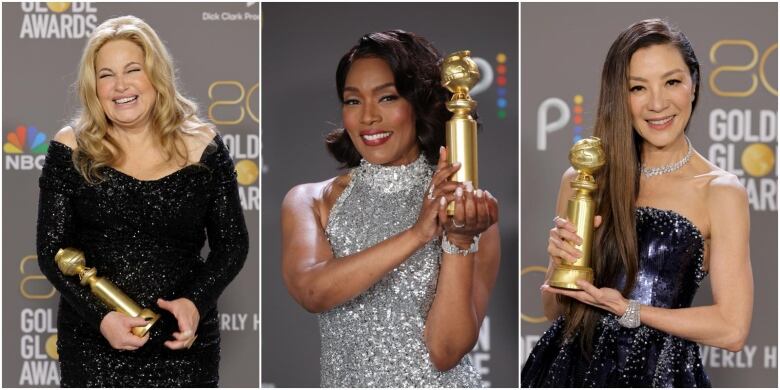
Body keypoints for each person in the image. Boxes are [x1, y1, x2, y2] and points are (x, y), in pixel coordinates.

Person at [521, 19, 752, 387]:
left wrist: (628, 310)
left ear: (693, 83)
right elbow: (553, 309)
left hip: (658, 374)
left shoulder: (719, 190)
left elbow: (731, 329)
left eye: (672, 82)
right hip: (568, 370)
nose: (658, 103)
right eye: (638, 88)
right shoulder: (584, 179)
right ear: (620, 95)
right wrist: (560, 270)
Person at [36, 16, 248, 387]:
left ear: (156, 75)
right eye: (106, 75)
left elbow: (232, 244)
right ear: (93, 86)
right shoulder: (72, 148)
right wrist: (101, 317)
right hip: (93, 343)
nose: (120, 85)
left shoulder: (203, 145)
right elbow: (51, 250)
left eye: (133, 69)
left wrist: (194, 302)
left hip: (182, 343)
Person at [281, 30, 500, 387]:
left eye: (387, 97)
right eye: (353, 101)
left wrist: (458, 241)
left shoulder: (469, 210)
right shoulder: (311, 200)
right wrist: (417, 234)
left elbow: (446, 351)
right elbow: (312, 291)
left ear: (419, 104)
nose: (368, 117)